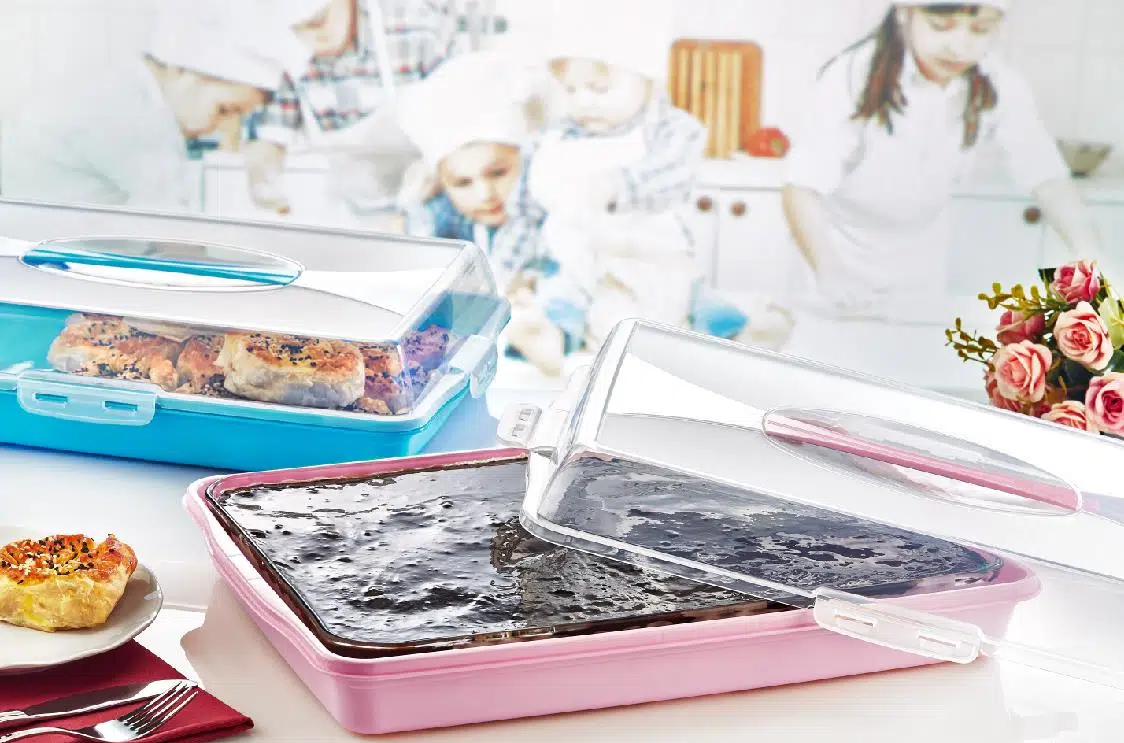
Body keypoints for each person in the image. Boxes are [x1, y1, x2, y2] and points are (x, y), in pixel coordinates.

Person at [497, 0, 792, 375]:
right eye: (571, 89)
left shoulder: (671, 130)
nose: (583, 101)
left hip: (657, 259)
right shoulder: (545, 142)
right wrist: (509, 273)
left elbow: (674, 172)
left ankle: (740, 337)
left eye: (599, 88)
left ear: (647, 82)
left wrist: (618, 184)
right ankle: (548, 339)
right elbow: (524, 216)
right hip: (575, 263)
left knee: (698, 298)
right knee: (561, 297)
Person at [780, 0, 1111, 323]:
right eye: (941, 27)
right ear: (905, 14)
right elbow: (801, 188)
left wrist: (1092, 258)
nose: (960, 47)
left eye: (980, 30)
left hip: (920, 266)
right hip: (835, 255)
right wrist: (829, 270)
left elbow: (1048, 179)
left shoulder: (997, 83)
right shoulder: (852, 76)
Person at [1, 0, 304, 211]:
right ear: (186, 72)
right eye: (224, 110)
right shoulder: (130, 112)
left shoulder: (131, 91)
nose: (220, 127)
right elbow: (173, 238)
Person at [394, 51, 563, 371]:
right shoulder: (449, 227)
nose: (484, 194)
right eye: (462, 183)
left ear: (528, 162)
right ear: (441, 185)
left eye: (498, 173)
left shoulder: (553, 222)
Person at [243, 0, 458, 222]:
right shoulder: (288, 56)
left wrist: (432, 173)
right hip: (353, 213)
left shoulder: (416, 27)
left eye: (319, 21)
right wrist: (267, 186)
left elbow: (460, 118)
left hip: (434, 208)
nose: (313, 36)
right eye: (298, 28)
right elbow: (269, 138)